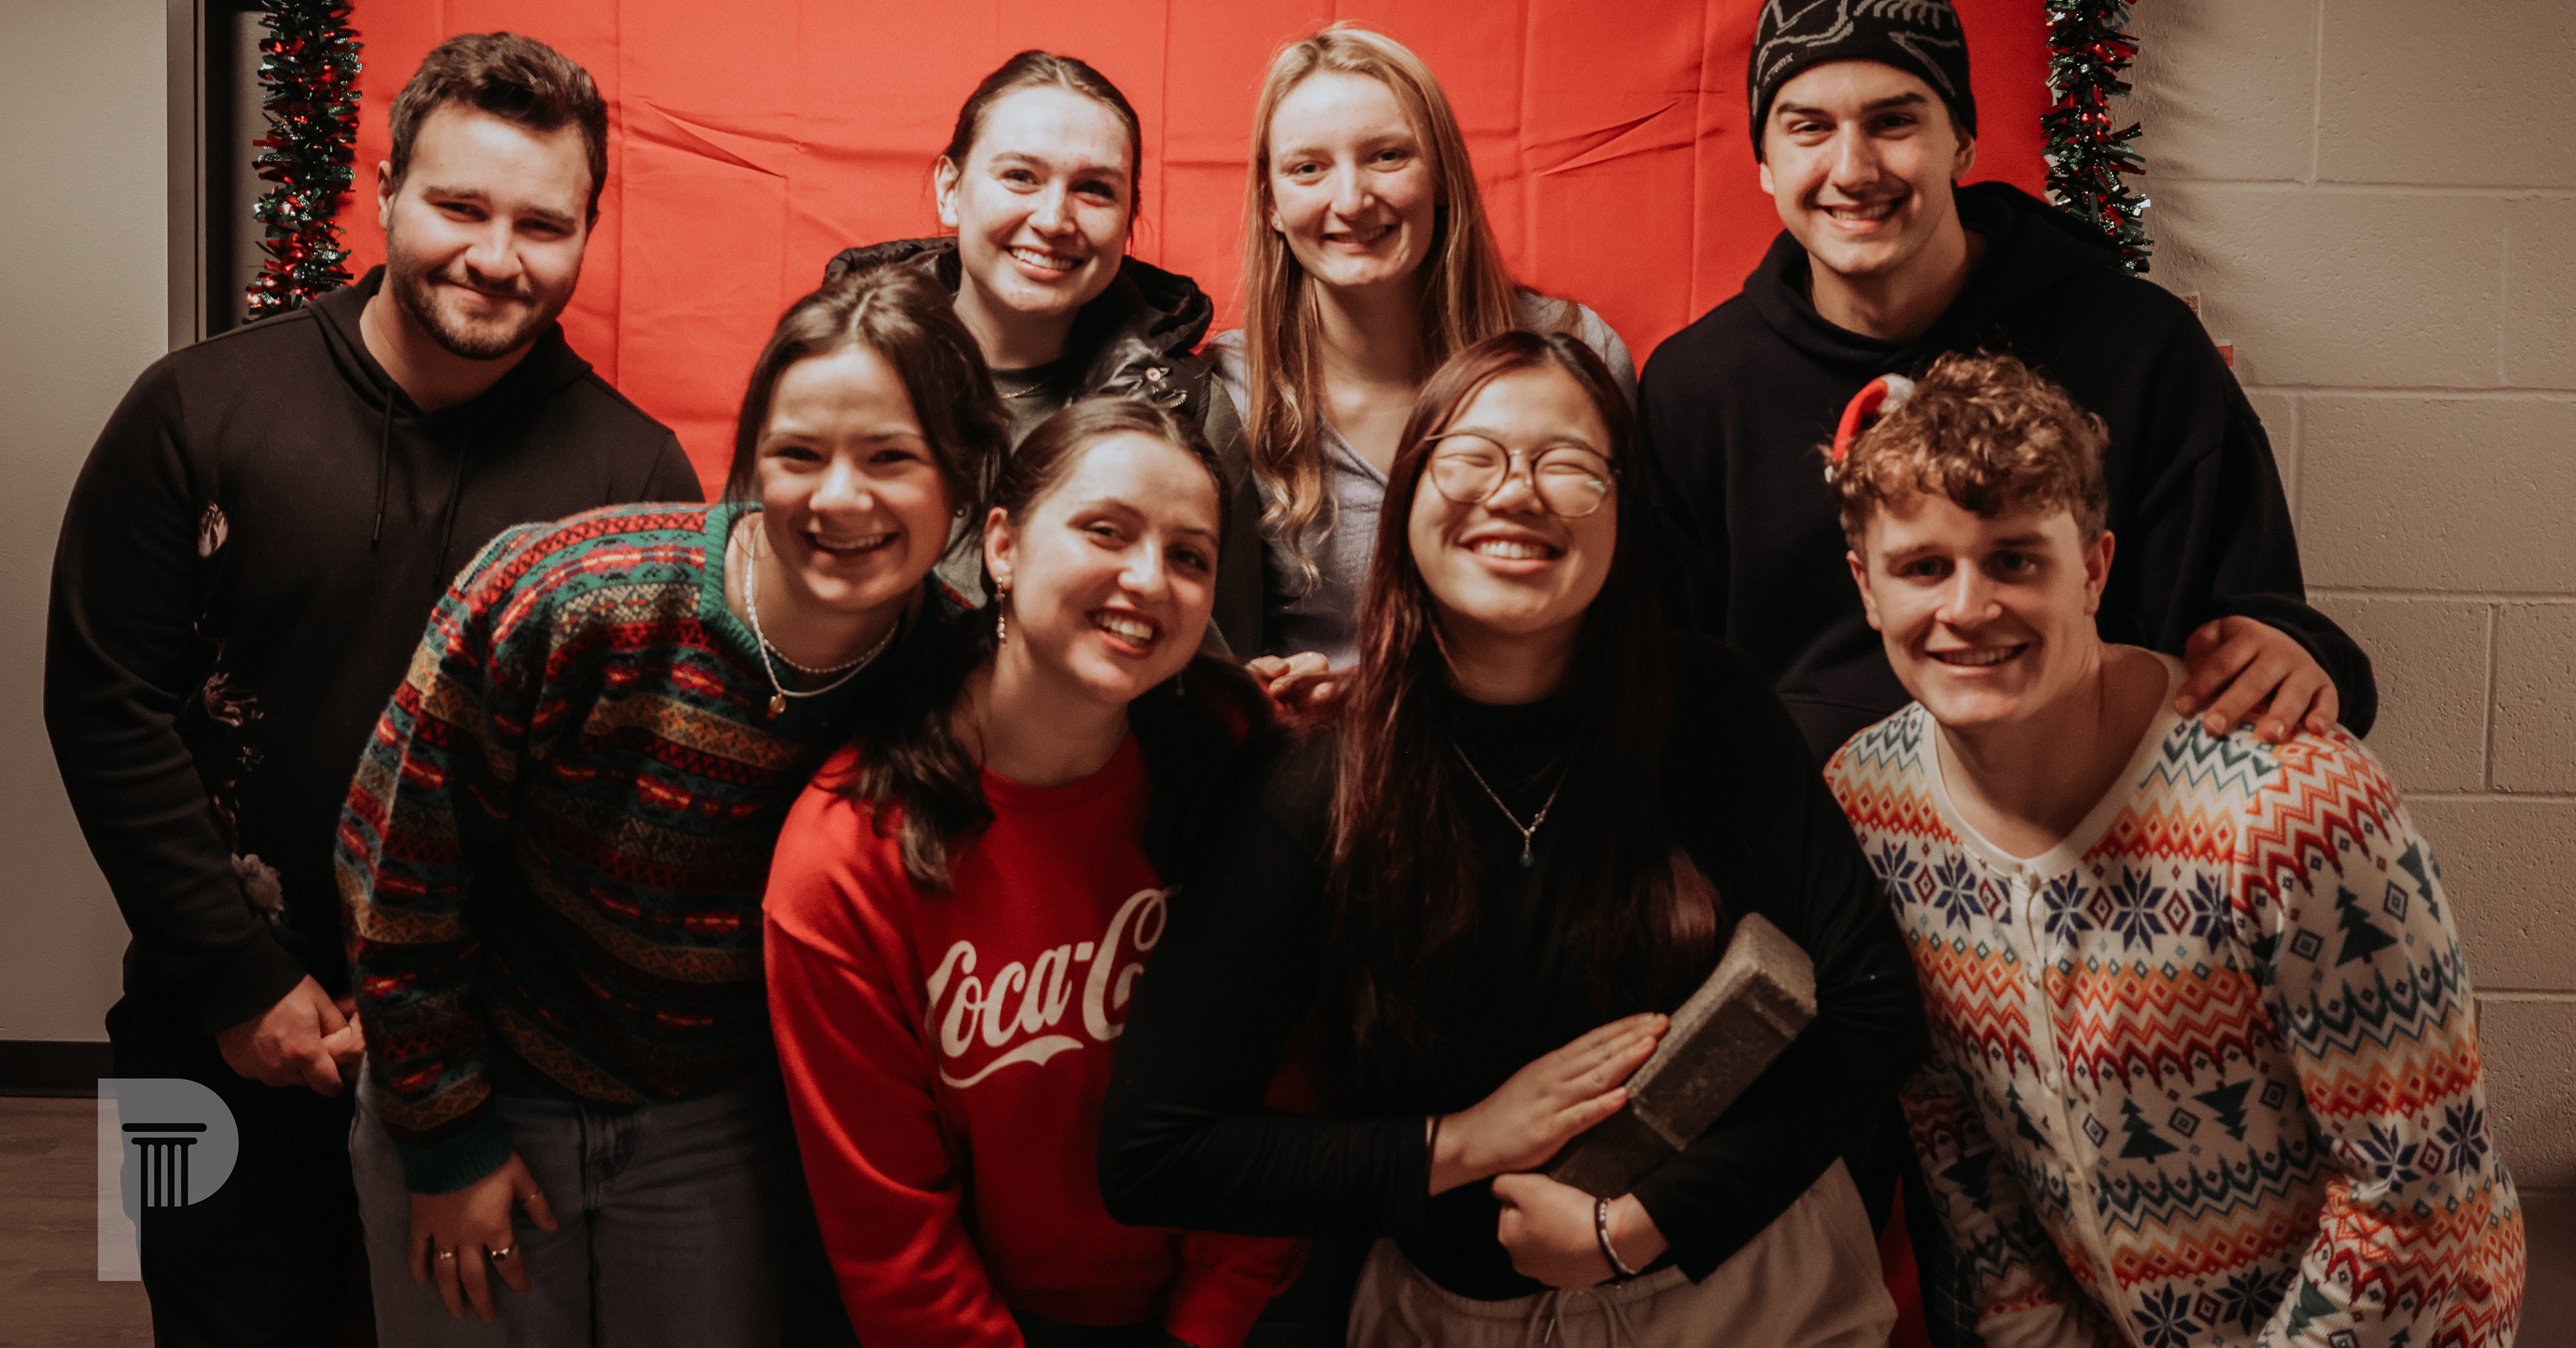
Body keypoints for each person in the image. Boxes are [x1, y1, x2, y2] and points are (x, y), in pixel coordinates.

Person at [44, 31, 700, 1344]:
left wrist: (450, 1059)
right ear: (386, 189)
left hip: (490, 1076)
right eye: (460, 206)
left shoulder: (636, 479)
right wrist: (237, 983)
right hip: (191, 1028)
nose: (497, 256)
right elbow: (106, 704)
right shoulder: (194, 409)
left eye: (543, 224)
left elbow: (633, 801)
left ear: (587, 230)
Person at [1102, 331, 1924, 1347]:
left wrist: (1639, 1226)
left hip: (1754, 1284)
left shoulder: (1712, 707)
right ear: (1407, 498)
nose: (1517, 492)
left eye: (1568, 464)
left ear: (1622, 507)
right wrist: (1463, 1142)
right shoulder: (1321, 782)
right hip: (1456, 1316)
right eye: (1471, 457)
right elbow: (1156, 1151)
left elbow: (1876, 1012)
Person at [336, 261, 1009, 1345]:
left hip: (719, 1128)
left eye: (891, 457)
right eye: (799, 455)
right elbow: (395, 869)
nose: (841, 498)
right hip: (485, 1083)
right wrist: (447, 1138)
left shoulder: (956, 672)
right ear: (751, 462)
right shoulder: (570, 599)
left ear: (964, 474)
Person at [1820, 351, 2523, 1346]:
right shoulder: (1869, 802)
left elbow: (2415, 1181)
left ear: (2094, 568)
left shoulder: (2295, 807)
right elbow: (1949, 1123)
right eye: (1923, 567)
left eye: (2016, 560)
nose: (1968, 607)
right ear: (1867, 587)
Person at [1638, 0, 2375, 771]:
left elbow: (2253, 626)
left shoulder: (2141, 348)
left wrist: (2298, 653)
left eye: (1894, 122)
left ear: (1961, 142)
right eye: (1809, 127)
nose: (1853, 169)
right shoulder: (1696, 388)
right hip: (1797, 830)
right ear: (1764, 161)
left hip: (2090, 819)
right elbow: (1658, 681)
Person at [765, 401, 1303, 1348]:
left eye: (1189, 556)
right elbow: (893, 1235)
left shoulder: (1234, 752)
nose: (1150, 579)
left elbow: (1284, 1083)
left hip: (1237, 1304)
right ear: (1003, 547)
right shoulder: (842, 859)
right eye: (1107, 531)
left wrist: (1209, 1325)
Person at [1210, 24, 1635, 678]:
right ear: (1271, 203)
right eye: (1308, 168)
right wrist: (1257, 692)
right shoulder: (1225, 393)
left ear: (1441, 175)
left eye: (1387, 156)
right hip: (1321, 743)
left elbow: (1630, 609)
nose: (1352, 200)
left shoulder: (1576, 354)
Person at [822, 50, 1263, 659]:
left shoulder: (1186, 411)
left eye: (1094, 190)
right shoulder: (835, 371)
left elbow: (1231, 672)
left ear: (1129, 219)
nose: (1055, 219)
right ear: (950, 189)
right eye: (1020, 177)